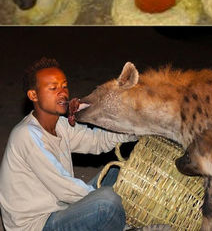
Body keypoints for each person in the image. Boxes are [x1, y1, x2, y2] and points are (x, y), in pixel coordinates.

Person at [0, 58, 135, 231]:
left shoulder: (60, 125)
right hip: (37, 224)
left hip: (60, 209)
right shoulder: (26, 135)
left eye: (64, 86)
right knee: (107, 202)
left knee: (121, 170)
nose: (62, 92)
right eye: (53, 88)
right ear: (33, 95)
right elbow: (65, 188)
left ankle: (118, 220)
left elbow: (96, 141)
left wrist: (132, 133)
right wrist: (103, 200)